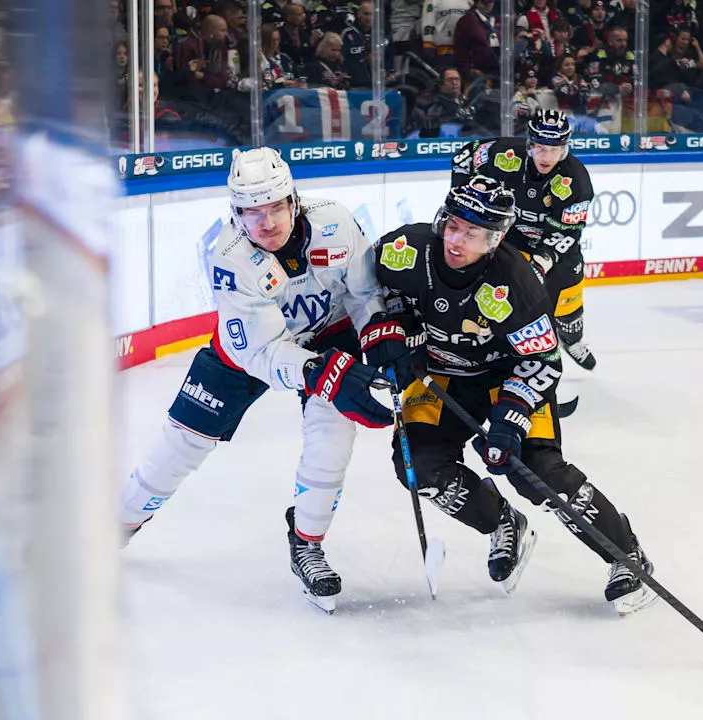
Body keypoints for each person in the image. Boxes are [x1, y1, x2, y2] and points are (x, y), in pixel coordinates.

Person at [118, 148, 394, 613]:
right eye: (251, 211)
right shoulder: (231, 258)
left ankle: (306, 542)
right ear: (236, 213)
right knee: (179, 446)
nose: (265, 222)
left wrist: (381, 336)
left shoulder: (337, 222)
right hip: (248, 352)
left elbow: (365, 293)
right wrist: (315, 371)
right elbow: (263, 352)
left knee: (331, 441)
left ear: (294, 201)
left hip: (330, 334)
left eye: (274, 207)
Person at [372, 177, 656, 611]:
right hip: (442, 375)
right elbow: (370, 295)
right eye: (453, 225)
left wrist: (509, 418)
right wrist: (388, 329)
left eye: (474, 233)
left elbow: (543, 360)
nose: (457, 239)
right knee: (419, 467)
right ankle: (503, 522)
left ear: (496, 237)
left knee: (537, 471)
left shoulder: (516, 284)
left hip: (507, 376)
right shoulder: (402, 251)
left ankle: (626, 554)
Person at [451, 110, 598, 371]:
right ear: (530, 144)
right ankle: (507, 356)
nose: (547, 157)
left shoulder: (576, 182)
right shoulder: (505, 154)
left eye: (555, 150)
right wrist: (467, 199)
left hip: (555, 248)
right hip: (513, 236)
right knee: (508, 302)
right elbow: (463, 158)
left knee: (568, 304)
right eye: (541, 148)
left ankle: (572, 339)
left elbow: (566, 232)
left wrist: (540, 264)